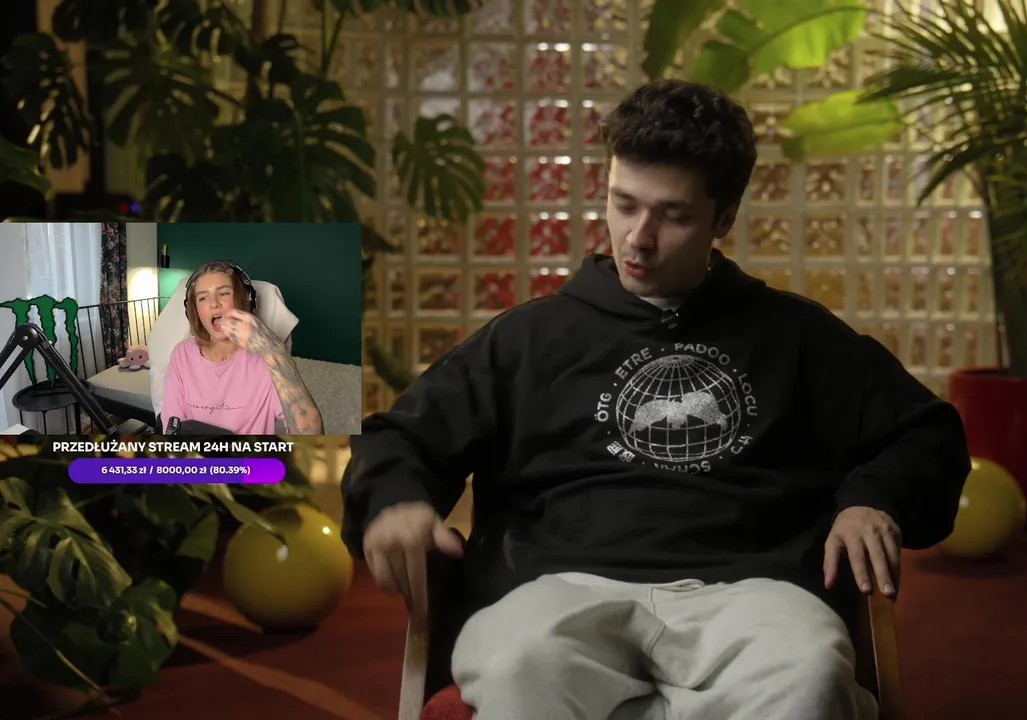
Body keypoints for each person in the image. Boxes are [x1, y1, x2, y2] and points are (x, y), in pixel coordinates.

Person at [341, 79, 970, 720]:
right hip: (557, 592)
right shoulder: (530, 337)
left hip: (754, 595)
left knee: (809, 675)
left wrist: (872, 498)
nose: (638, 238)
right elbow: (400, 434)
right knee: (517, 665)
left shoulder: (797, 335)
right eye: (624, 204)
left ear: (723, 219)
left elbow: (927, 433)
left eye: (673, 215)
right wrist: (396, 499)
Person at [160, 260, 324, 435]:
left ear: (244, 300)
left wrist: (273, 352)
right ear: (195, 311)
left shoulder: (266, 360)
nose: (214, 303)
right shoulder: (182, 355)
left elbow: (311, 435)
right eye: (203, 298)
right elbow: (172, 431)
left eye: (223, 293)